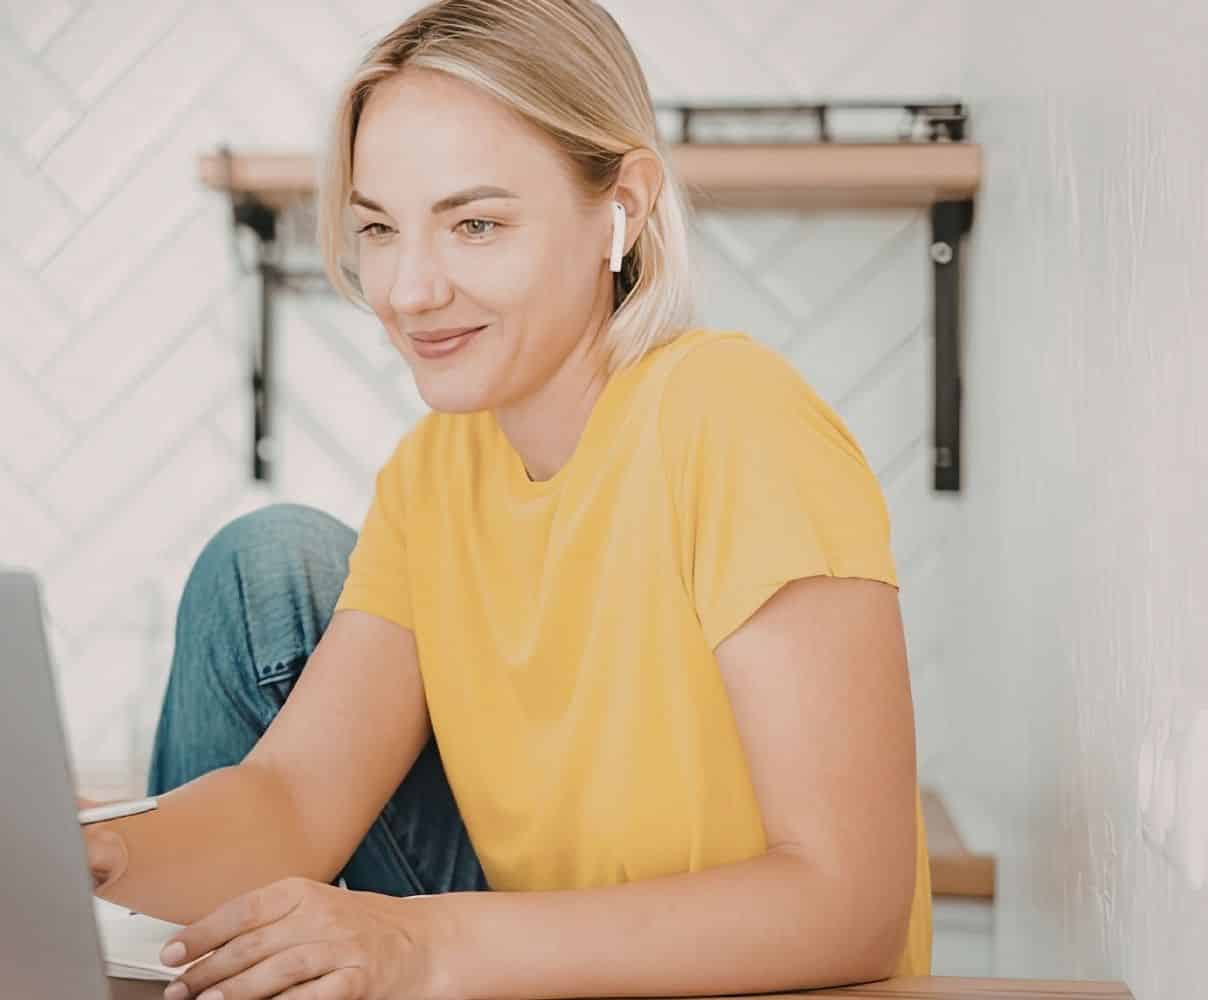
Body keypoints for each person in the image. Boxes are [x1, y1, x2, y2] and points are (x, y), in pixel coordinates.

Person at [80, 1, 932, 996]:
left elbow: (850, 905)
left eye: (475, 224)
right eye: (379, 230)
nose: (409, 289)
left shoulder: (736, 420)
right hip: (564, 970)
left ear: (623, 207)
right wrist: (88, 850)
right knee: (260, 566)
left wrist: (419, 944)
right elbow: (291, 801)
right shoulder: (435, 471)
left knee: (270, 568)